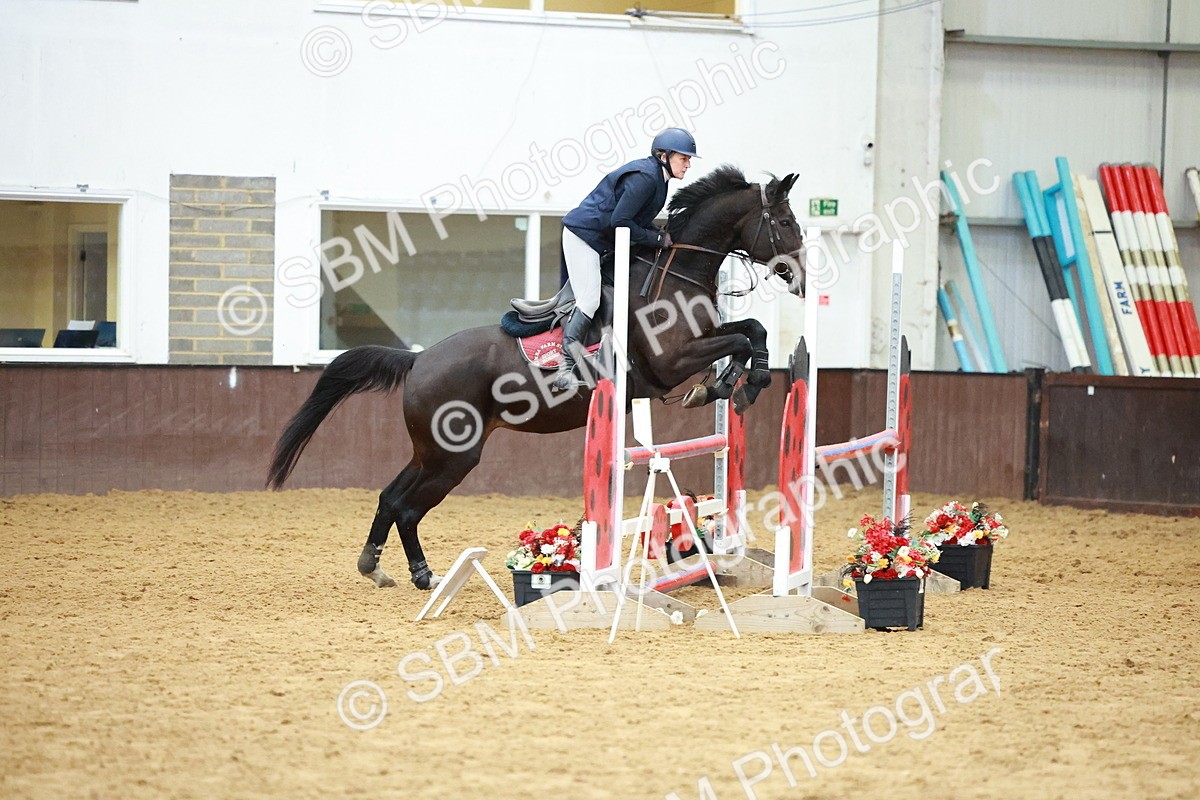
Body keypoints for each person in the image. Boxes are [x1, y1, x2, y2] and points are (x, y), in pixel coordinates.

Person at [551, 127, 698, 390]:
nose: (687, 165)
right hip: (583, 237)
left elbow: (635, 221)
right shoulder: (644, 177)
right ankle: (565, 367)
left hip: (602, 241)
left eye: (688, 160)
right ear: (663, 155)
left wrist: (658, 233)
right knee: (590, 299)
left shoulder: (659, 180)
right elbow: (620, 221)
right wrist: (654, 239)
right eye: (683, 158)